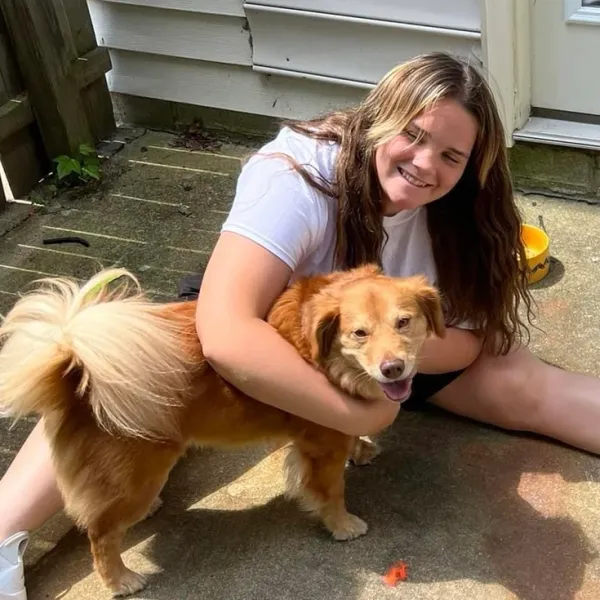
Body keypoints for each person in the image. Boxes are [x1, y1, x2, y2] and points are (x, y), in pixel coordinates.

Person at [2, 51, 600, 599]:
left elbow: (472, 341)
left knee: (525, 384)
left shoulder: (473, 216)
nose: (425, 164)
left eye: (451, 155)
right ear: (379, 121)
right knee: (121, 375)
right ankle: (2, 533)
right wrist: (357, 412)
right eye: (412, 136)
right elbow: (226, 328)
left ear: (475, 166)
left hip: (388, 350)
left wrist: (391, 369)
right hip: (262, 319)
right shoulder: (299, 169)